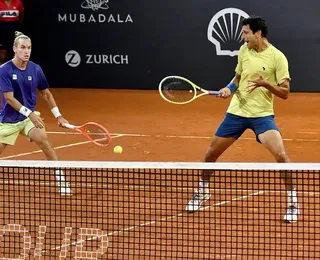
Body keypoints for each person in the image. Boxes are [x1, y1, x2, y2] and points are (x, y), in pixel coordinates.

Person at [185, 16, 299, 223]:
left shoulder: (278, 58)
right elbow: (237, 79)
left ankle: (293, 203)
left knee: (281, 155)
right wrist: (228, 89)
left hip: (262, 116)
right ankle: (202, 192)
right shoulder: (244, 51)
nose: (242, 36)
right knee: (210, 155)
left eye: (246, 32)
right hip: (236, 113)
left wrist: (265, 84)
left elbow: (285, 93)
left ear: (258, 34)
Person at [0, 31, 72, 195]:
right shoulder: (4, 70)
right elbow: (9, 99)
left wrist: (58, 116)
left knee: (44, 141)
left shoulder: (35, 69)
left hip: (27, 120)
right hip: (8, 121)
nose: (27, 51)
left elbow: (46, 94)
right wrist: (30, 114)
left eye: (29, 48)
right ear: (15, 49)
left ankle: (61, 180)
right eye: (23, 48)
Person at [0, 0, 24, 64]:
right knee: (2, 55)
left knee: (15, 52)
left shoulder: (18, 2)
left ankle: (13, 71)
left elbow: (21, 17)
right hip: (2, 31)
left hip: (14, 30)